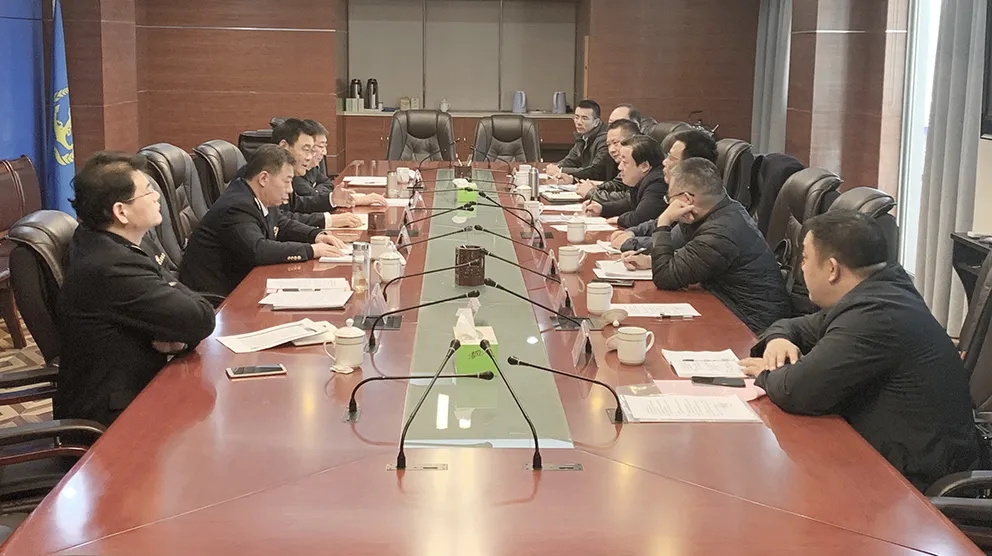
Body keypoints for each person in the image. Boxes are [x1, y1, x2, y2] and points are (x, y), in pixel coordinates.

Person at [740, 210, 984, 491]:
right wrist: (778, 340)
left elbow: (798, 390)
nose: (801, 267)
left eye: (805, 258)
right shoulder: (879, 292)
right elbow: (796, 326)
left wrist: (769, 370)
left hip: (913, 487)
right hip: (891, 460)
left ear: (832, 269)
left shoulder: (876, 315)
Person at [58, 152, 216, 426]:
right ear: (121, 211)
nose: (157, 197)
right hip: (116, 416)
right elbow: (200, 318)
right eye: (148, 192)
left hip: (141, 385)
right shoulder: (112, 266)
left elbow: (184, 304)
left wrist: (178, 334)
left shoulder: (110, 242)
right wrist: (179, 331)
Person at [619, 158, 789, 333]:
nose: (668, 205)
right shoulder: (723, 209)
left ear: (687, 199)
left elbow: (665, 278)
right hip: (728, 307)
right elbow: (685, 250)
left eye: (669, 198)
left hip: (752, 326)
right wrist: (650, 261)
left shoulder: (721, 232)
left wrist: (664, 221)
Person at [179, 145, 347, 297]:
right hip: (217, 297)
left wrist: (316, 235)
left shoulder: (259, 196)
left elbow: (281, 223)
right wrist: (311, 250)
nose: (290, 189)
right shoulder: (237, 206)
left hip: (243, 285)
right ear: (263, 178)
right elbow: (258, 250)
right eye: (287, 181)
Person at [609, 128, 719, 250]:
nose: (664, 162)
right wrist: (632, 232)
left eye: (671, 158)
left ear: (691, 166)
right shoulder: (690, 195)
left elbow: (673, 242)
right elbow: (659, 225)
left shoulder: (704, 209)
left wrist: (632, 242)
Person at [581, 135, 667, 228]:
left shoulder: (658, 183)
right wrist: (602, 208)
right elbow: (630, 203)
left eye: (625, 162)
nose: (619, 167)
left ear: (644, 166)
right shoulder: (642, 181)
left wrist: (620, 220)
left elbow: (640, 218)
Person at [301, 119, 387, 209]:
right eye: (321, 146)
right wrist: (357, 200)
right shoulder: (297, 174)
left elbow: (328, 184)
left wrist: (318, 192)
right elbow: (311, 200)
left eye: (325, 146)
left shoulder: (312, 169)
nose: (325, 152)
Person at [544, 99, 610, 183]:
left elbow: (595, 171)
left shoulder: (605, 140)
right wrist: (556, 167)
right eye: (576, 117)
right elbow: (571, 159)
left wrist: (561, 170)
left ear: (596, 122)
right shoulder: (583, 136)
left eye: (584, 118)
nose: (578, 122)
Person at [576, 119, 640, 203]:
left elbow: (628, 199)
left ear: (632, 139)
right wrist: (595, 187)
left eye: (615, 143)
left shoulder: (642, 160)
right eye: (608, 145)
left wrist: (591, 193)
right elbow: (617, 184)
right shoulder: (623, 162)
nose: (611, 150)